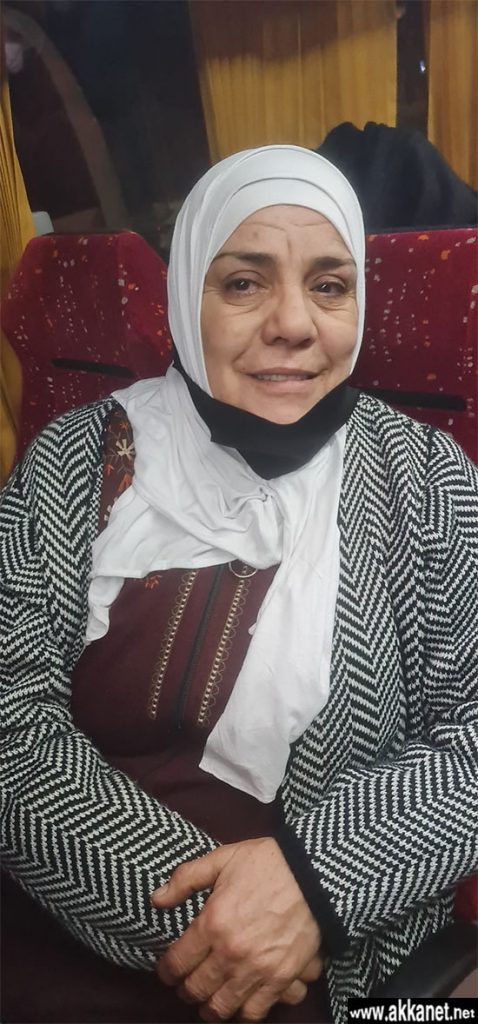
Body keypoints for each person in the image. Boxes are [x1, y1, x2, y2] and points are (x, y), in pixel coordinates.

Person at [1, 145, 477, 1024]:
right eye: (245, 283)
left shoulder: (427, 479)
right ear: (188, 295)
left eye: (329, 286)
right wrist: (210, 920)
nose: (294, 323)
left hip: (340, 963)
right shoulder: (78, 458)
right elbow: (9, 712)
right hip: (65, 935)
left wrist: (316, 885)